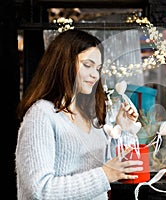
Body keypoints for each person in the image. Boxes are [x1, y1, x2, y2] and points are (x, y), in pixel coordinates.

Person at [15, 29, 143, 200]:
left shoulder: (92, 117)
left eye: (98, 68)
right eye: (87, 65)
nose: (95, 75)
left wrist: (123, 130)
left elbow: (113, 170)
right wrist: (104, 175)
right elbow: (39, 190)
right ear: (63, 63)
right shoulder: (42, 114)